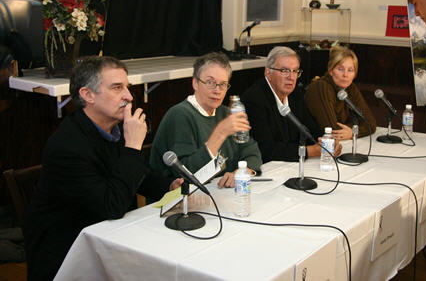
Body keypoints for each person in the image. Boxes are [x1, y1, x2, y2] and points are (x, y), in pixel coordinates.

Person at [25, 56, 182, 281]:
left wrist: (169, 186)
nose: (129, 96)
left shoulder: (113, 129)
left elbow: (140, 175)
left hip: (110, 239)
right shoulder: (67, 145)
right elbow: (112, 206)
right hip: (70, 256)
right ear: (87, 95)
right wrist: (133, 147)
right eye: (117, 88)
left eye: (127, 87)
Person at [150, 52, 262, 188]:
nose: (217, 90)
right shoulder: (180, 115)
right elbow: (187, 174)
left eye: (223, 84)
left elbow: (253, 153)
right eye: (210, 82)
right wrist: (219, 134)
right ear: (195, 83)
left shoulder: (225, 112)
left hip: (223, 194)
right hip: (180, 202)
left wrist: (242, 171)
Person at [241, 46, 341, 163]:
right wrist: (311, 151)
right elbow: (266, 150)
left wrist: (327, 141)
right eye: (284, 71)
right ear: (268, 72)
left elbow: (310, 128)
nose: (291, 77)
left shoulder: (295, 94)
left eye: (295, 71)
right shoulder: (254, 100)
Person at [304, 46, 377, 141]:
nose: (345, 75)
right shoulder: (321, 87)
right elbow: (332, 130)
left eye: (350, 70)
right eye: (340, 69)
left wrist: (352, 132)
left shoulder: (350, 88)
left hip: (340, 143)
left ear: (355, 74)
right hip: (316, 146)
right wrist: (354, 128)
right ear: (331, 70)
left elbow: (370, 123)